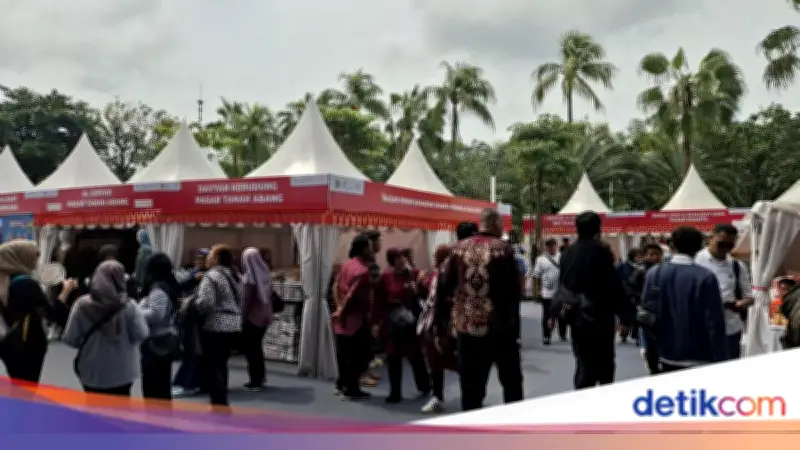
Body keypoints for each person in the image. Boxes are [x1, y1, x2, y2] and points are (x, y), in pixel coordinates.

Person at [440, 209, 523, 411]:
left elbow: (445, 285)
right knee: (511, 381)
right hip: (500, 328)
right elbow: (514, 291)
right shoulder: (504, 249)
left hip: (467, 328)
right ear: (495, 223)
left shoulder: (458, 249)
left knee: (470, 384)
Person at [558, 211, 634, 390]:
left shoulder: (568, 253)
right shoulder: (601, 251)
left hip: (576, 316)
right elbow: (612, 285)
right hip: (600, 316)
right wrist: (624, 316)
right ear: (598, 228)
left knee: (583, 361)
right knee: (605, 362)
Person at [641, 227, 727, 372]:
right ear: (700, 247)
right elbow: (715, 321)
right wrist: (719, 357)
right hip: (700, 354)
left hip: (665, 352)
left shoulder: (654, 273)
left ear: (672, 245)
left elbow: (646, 316)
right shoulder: (706, 277)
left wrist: (650, 352)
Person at [62, 260, 149, 396]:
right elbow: (142, 334)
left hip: (91, 370)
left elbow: (70, 338)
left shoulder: (81, 305)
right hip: (123, 370)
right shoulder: (129, 305)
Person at [0, 240, 76, 383]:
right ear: (21, 257)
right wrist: (66, 291)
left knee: (18, 388)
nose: (37, 260)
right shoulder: (27, 284)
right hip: (28, 346)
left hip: (8, 345)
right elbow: (53, 314)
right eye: (34, 256)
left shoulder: (5, 280)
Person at [372, 248, 430, 403]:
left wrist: (421, 285)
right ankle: (395, 393)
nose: (402, 260)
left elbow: (426, 295)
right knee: (393, 358)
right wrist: (376, 322)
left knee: (416, 356)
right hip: (392, 322)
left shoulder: (415, 273)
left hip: (411, 321)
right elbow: (378, 301)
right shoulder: (386, 276)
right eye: (397, 258)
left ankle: (424, 385)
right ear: (392, 260)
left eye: (403, 257)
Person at [694, 223, 753, 360]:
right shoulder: (696, 260)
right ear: (711, 239)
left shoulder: (737, 265)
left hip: (730, 328)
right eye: (721, 244)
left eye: (730, 245)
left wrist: (741, 303)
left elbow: (749, 296)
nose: (725, 249)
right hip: (701, 328)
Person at [195, 244, 242, 408]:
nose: (207, 259)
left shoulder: (211, 276)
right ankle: (222, 399)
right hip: (233, 325)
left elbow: (206, 302)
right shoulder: (234, 275)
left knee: (212, 366)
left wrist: (193, 306)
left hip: (216, 325)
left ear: (216, 259)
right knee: (221, 364)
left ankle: (218, 402)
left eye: (210, 256)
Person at [332, 234, 374, 401]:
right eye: (370, 246)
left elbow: (335, 287)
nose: (372, 250)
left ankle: (341, 385)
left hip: (342, 320)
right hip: (356, 319)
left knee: (343, 355)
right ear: (364, 248)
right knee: (359, 356)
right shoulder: (363, 271)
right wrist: (342, 310)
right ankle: (351, 389)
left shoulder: (346, 265)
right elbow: (351, 295)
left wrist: (338, 308)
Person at [417, 244, 455, 414]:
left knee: (448, 359)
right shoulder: (437, 273)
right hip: (435, 323)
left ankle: (439, 397)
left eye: (436, 255)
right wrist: (420, 283)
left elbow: (442, 300)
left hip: (444, 323)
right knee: (435, 362)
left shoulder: (446, 273)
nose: (434, 258)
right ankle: (438, 396)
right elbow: (429, 294)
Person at [138, 252, 181, 400]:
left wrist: (136, 312)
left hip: (156, 342)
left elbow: (156, 315)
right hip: (162, 341)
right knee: (161, 385)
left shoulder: (158, 291)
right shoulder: (166, 287)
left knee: (154, 386)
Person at [172, 249, 209, 398]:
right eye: (197, 258)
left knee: (196, 352)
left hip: (202, 319)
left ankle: (193, 382)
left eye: (203, 259)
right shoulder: (193, 274)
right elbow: (181, 286)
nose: (199, 261)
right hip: (190, 318)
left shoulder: (211, 275)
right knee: (193, 351)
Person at [240, 247, 273, 392]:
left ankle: (255, 380)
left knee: (251, 350)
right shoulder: (265, 273)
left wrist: (241, 318)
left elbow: (246, 301)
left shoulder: (248, 278)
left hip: (252, 318)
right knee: (257, 348)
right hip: (265, 316)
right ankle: (260, 377)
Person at [626, 243, 663, 359]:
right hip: (644, 307)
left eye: (657, 254)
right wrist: (639, 299)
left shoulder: (663, 269)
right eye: (651, 254)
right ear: (644, 256)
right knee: (646, 331)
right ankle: (646, 351)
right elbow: (630, 288)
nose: (655, 257)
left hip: (660, 307)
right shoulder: (640, 270)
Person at [361, 230, 383, 387]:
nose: (380, 244)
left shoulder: (371, 260)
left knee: (368, 341)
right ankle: (361, 374)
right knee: (363, 341)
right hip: (366, 305)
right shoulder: (366, 263)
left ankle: (365, 370)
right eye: (378, 241)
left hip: (371, 305)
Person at [533, 238, 565, 345]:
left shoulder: (562, 257)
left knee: (561, 314)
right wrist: (537, 291)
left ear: (556, 246)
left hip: (560, 291)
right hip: (546, 291)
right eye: (549, 246)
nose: (551, 248)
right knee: (547, 314)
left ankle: (563, 333)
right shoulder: (541, 259)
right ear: (546, 247)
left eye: (553, 246)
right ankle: (546, 336)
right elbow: (536, 276)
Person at [134, 229, 153, 295]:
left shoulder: (144, 252)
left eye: (138, 237)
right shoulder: (151, 250)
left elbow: (140, 270)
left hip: (145, 284)